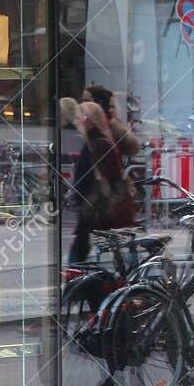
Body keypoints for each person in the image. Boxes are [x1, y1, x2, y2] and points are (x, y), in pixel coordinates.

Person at [69, 101, 132, 264]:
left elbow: (111, 176)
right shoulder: (93, 142)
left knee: (83, 254)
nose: (75, 121)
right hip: (93, 209)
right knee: (86, 252)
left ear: (87, 119)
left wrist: (83, 197)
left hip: (96, 210)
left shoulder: (98, 144)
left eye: (78, 116)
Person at [83, 84, 140, 160]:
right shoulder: (87, 125)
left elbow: (132, 147)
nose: (82, 104)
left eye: (86, 101)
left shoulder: (109, 127)